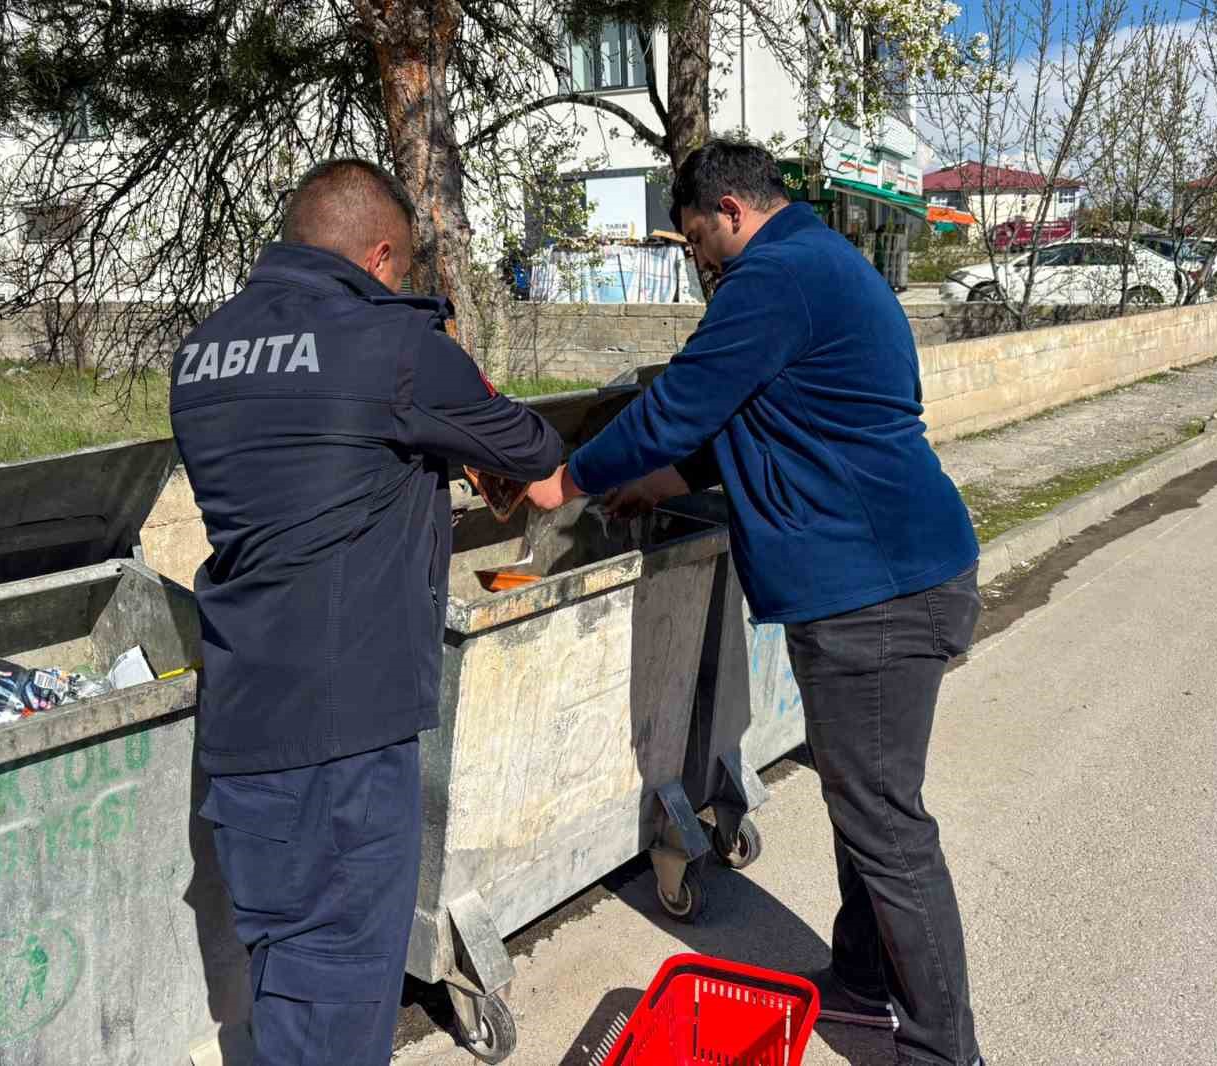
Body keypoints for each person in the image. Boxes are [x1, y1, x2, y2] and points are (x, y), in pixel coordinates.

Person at [527, 139, 987, 1066]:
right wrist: (665, 483)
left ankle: (946, 1051)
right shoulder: (821, 264)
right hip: (886, 578)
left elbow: (683, 405)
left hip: (877, 591)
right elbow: (776, 413)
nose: (699, 264)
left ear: (730, 212)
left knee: (888, 829)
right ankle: (860, 983)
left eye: (698, 242)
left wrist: (564, 478)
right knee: (866, 802)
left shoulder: (772, 279)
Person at [170, 158, 563, 1066]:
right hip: (345, 744)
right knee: (340, 1004)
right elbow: (535, 453)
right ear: (381, 257)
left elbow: (309, 476)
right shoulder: (391, 343)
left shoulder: (203, 353)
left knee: (285, 977)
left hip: (245, 730)